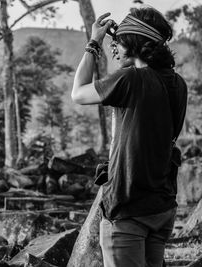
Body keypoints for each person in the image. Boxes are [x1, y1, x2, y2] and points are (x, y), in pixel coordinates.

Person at [71, 7, 188, 267]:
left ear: (134, 41)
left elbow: (78, 93)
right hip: (162, 207)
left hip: (129, 207)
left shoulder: (132, 78)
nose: (115, 47)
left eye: (118, 40)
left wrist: (93, 44)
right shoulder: (178, 84)